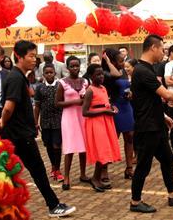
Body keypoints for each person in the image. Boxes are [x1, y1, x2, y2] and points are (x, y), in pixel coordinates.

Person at [0, 41, 75, 217]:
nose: (34, 59)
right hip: (20, 135)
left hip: (18, 133)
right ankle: (53, 205)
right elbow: (9, 106)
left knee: (10, 171)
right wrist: (2, 120)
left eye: (34, 55)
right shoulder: (15, 77)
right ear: (19, 56)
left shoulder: (19, 76)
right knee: (36, 169)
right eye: (30, 56)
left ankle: (3, 207)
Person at [129, 35, 173, 213]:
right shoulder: (142, 71)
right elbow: (167, 95)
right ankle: (135, 202)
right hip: (147, 127)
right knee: (143, 165)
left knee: (166, 159)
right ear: (153, 48)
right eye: (162, 49)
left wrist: (163, 115)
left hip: (156, 124)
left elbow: (151, 99)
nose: (164, 52)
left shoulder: (147, 69)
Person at [81, 64, 121, 192]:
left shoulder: (103, 88)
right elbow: (85, 112)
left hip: (105, 122)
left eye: (102, 74)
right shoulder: (90, 90)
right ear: (91, 76)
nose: (101, 76)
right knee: (101, 151)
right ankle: (95, 178)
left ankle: (96, 178)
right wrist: (104, 112)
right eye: (98, 74)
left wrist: (112, 108)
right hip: (96, 123)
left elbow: (105, 104)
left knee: (105, 150)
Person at [55, 55, 90, 190]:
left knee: (83, 147)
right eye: (72, 66)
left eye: (77, 65)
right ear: (67, 67)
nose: (75, 68)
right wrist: (75, 101)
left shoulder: (86, 82)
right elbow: (57, 103)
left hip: (82, 116)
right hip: (69, 118)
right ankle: (67, 177)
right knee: (69, 148)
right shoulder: (62, 83)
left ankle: (83, 174)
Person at [103, 49, 135, 179]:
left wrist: (130, 93)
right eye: (121, 61)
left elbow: (126, 86)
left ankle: (129, 168)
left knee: (129, 138)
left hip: (126, 107)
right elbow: (115, 75)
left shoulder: (122, 71)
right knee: (111, 140)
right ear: (112, 61)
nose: (123, 63)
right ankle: (104, 169)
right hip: (114, 108)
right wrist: (108, 62)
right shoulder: (106, 73)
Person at [33, 63, 64, 181]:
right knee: (49, 146)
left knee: (57, 145)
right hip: (45, 121)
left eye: (51, 72)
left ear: (55, 73)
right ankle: (53, 166)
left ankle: (58, 169)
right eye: (47, 73)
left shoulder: (60, 85)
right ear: (43, 74)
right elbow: (37, 106)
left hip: (58, 120)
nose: (49, 75)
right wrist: (36, 122)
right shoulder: (40, 88)